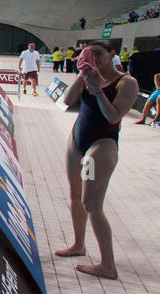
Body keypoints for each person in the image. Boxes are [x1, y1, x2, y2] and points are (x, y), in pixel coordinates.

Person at [56, 42, 139, 279]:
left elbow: (113, 116)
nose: (94, 58)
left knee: (91, 204)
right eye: (89, 55)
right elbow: (66, 101)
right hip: (77, 141)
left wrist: (97, 89)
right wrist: (83, 76)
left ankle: (108, 265)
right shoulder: (87, 76)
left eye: (99, 54)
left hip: (102, 144)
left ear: (112, 54)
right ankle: (79, 245)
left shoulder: (126, 83)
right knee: (74, 195)